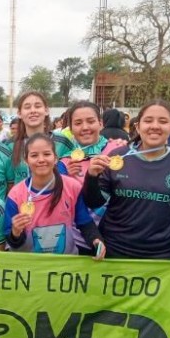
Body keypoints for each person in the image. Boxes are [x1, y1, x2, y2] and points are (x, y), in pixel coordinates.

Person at [82, 99, 170, 264]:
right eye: (148, 120)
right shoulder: (117, 157)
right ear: (137, 126)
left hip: (163, 256)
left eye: (163, 121)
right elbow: (94, 202)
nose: (155, 126)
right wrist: (91, 177)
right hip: (114, 252)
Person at [5, 134, 105, 256]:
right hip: (30, 267)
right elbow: (11, 241)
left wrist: (96, 240)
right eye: (34, 155)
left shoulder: (72, 187)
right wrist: (15, 233)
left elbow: (84, 223)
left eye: (47, 154)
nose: (41, 159)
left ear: (56, 158)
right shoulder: (15, 194)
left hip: (65, 264)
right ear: (26, 161)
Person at [57, 101, 127, 255]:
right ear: (71, 128)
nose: (85, 128)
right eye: (78, 123)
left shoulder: (120, 150)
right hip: (79, 242)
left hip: (117, 240)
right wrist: (64, 179)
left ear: (100, 123)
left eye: (91, 121)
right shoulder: (65, 162)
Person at [8, 91, 70, 182]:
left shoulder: (63, 142)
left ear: (46, 111)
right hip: (21, 196)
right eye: (27, 107)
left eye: (38, 106)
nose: (33, 111)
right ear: (19, 113)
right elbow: (9, 182)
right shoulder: (10, 145)